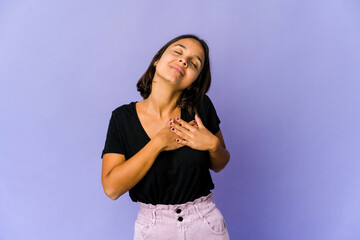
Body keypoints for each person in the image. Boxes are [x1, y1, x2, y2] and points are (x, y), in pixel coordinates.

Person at [101, 34, 230, 240]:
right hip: (153, 228)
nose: (184, 61)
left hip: (204, 223)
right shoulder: (122, 118)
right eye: (178, 52)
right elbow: (112, 189)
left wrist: (213, 145)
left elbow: (219, 164)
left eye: (194, 64)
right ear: (157, 60)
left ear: (192, 82)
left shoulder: (201, 107)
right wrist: (159, 143)